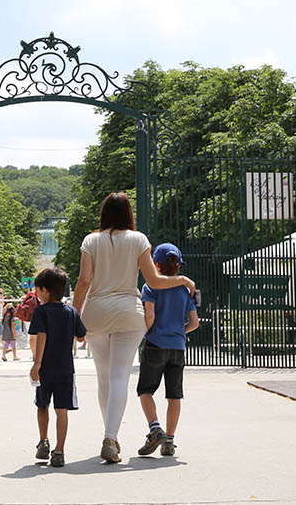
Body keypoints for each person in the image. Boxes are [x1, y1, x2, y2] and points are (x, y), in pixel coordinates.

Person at [72, 192, 195, 463]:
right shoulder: (138, 240)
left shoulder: (91, 240)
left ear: (104, 213)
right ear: (129, 214)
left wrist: (74, 315)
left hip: (96, 312)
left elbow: (84, 281)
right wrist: (183, 280)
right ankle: (109, 436)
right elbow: (154, 280)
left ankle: (112, 438)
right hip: (128, 312)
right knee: (119, 378)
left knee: (103, 378)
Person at [136, 243, 199, 458]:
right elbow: (194, 323)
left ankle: (155, 429)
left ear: (155, 264)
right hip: (178, 347)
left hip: (155, 344)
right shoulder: (185, 290)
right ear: (178, 266)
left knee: (145, 391)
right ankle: (169, 442)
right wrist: (178, 331)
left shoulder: (150, 287)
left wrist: (146, 332)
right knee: (174, 396)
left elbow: (150, 317)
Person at [29, 267, 86, 468]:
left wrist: (37, 363)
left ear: (44, 290)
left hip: (45, 369)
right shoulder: (71, 312)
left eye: (37, 290)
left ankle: (43, 441)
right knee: (62, 410)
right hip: (65, 369)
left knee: (42, 405)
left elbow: (41, 336)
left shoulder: (41, 311)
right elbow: (81, 336)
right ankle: (59, 451)